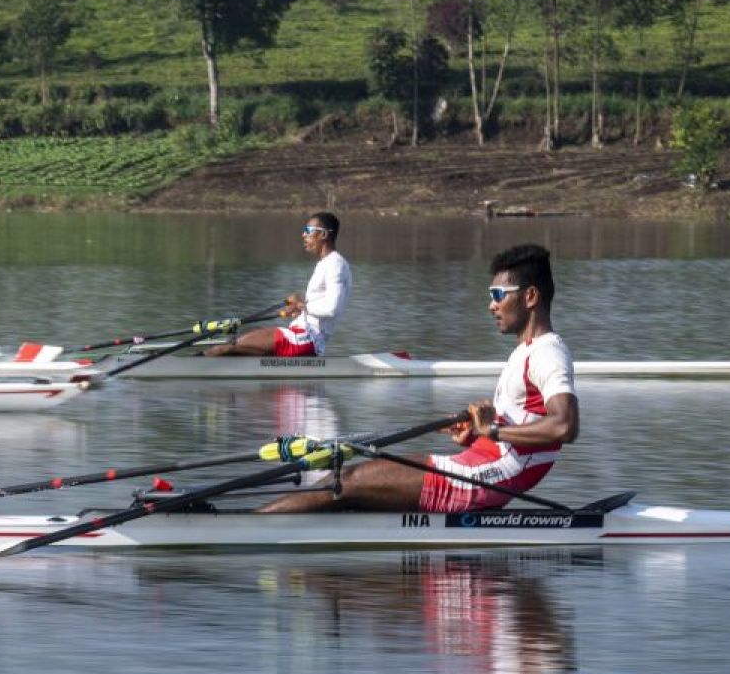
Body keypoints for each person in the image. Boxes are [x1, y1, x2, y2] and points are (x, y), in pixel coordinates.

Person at [258, 243, 578, 513]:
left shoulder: (547, 353)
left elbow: (564, 426)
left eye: (498, 294)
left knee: (348, 481)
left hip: (485, 478)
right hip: (478, 466)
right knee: (345, 483)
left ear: (530, 296)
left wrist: (491, 431)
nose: (491, 305)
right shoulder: (526, 351)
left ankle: (249, 525)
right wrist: (476, 435)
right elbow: (518, 433)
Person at [205, 211, 351, 357]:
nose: (303, 235)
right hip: (302, 337)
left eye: (308, 231)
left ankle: (191, 367)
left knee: (224, 348)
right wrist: (301, 305)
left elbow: (331, 308)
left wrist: (301, 306)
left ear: (323, 235)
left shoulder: (335, 264)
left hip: (305, 339)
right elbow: (320, 307)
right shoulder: (328, 263)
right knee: (236, 344)